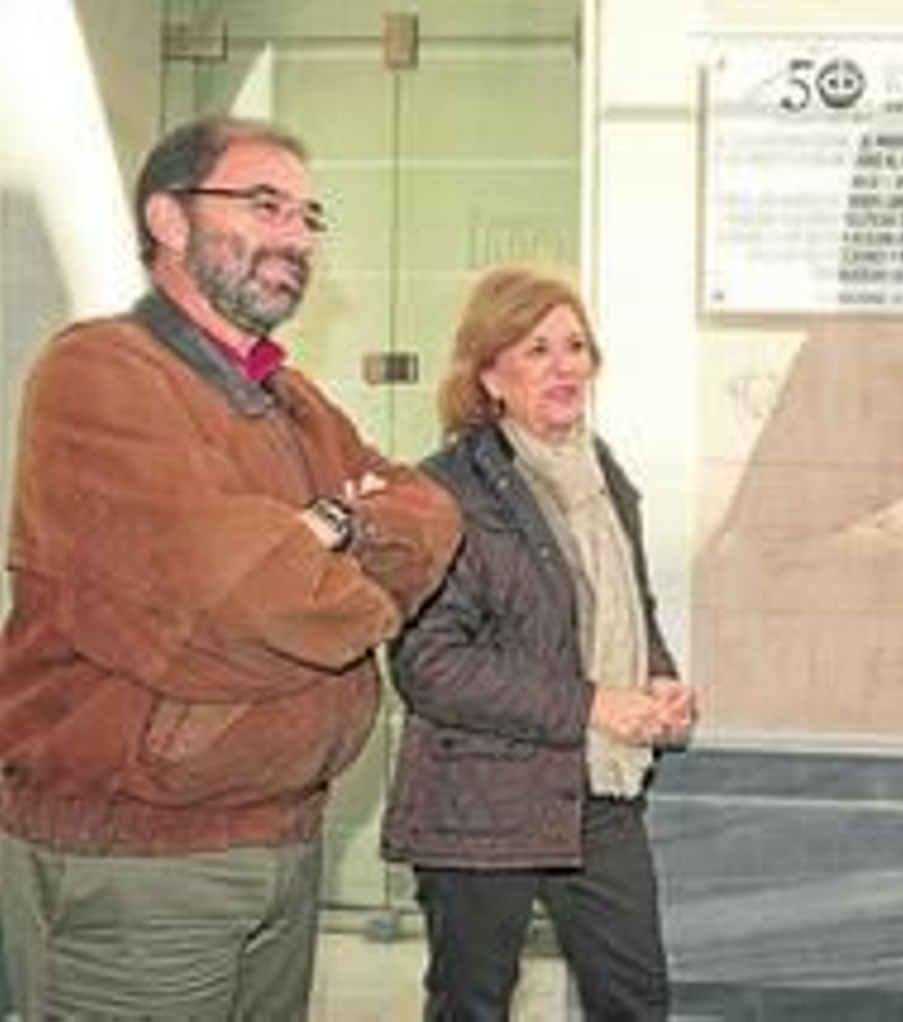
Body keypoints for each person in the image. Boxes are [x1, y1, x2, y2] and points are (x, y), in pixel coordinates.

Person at [0, 115, 462, 1020]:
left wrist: (321, 534)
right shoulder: (99, 372)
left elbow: (432, 518)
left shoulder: (284, 395)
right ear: (168, 220)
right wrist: (346, 539)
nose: (296, 234)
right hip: (142, 865)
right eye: (264, 204)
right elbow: (247, 603)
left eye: (306, 215)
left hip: (285, 844)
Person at [381, 266, 696, 1021]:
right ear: (490, 374)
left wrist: (659, 681)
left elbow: (626, 610)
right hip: (481, 802)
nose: (565, 367)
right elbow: (428, 666)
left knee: (635, 997)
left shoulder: (605, 475)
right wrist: (594, 703)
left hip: (600, 796)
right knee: (473, 1005)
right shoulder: (442, 491)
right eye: (536, 349)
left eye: (576, 346)